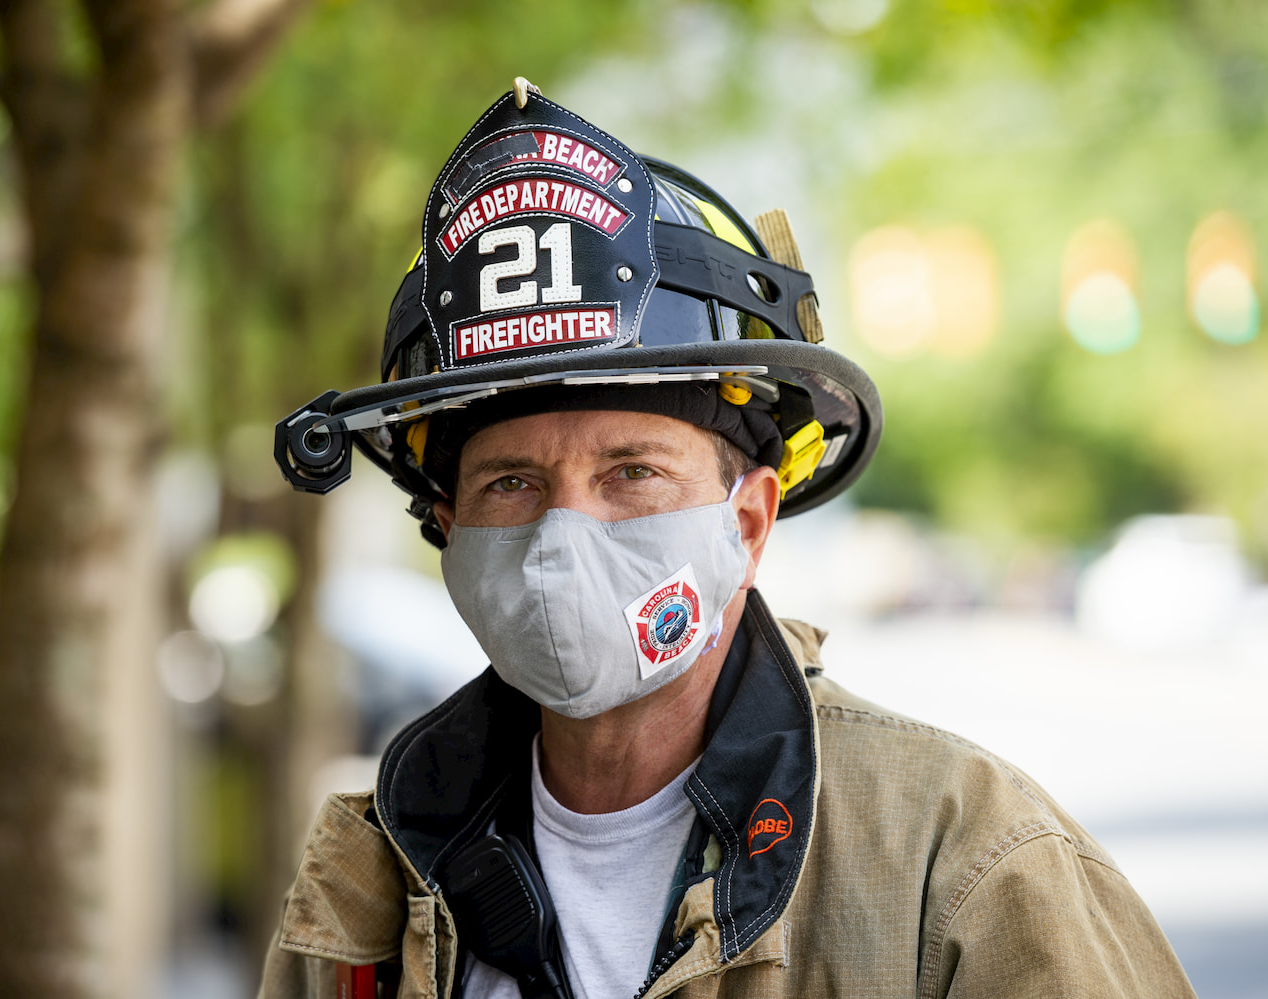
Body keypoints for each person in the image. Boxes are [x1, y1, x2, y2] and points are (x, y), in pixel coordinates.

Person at [262, 80, 1196, 999]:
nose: (565, 536)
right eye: (513, 482)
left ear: (746, 524)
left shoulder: (958, 862)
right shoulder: (369, 886)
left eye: (632, 472)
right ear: (450, 531)